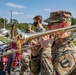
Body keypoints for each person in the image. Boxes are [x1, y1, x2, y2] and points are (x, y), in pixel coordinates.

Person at [30, 10, 76, 75]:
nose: (47, 26)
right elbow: (35, 72)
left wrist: (46, 50)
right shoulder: (51, 44)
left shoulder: (70, 52)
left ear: (63, 25)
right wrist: (35, 55)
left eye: (51, 23)